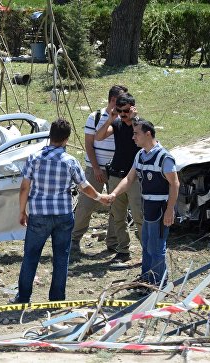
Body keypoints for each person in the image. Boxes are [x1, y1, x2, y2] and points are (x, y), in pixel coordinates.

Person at [11, 119, 112, 303]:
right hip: (63, 215)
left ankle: (23, 297)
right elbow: (84, 186)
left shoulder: (34, 159)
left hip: (39, 214)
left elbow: (24, 187)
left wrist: (21, 211)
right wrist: (99, 197)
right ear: (66, 139)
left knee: (31, 256)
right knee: (61, 257)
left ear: (50, 136)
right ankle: (57, 298)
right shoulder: (70, 161)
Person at [109, 119, 179, 287]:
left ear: (148, 134)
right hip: (147, 208)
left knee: (156, 247)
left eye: (136, 133)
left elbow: (175, 184)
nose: (133, 137)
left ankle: (158, 283)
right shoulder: (140, 155)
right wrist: (113, 194)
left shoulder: (164, 157)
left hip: (160, 209)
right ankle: (146, 279)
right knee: (147, 244)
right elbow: (129, 178)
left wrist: (170, 210)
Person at [71, 85, 127, 255]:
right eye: (121, 100)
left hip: (117, 170)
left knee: (116, 207)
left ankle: (113, 242)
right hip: (95, 168)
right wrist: (96, 168)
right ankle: (74, 239)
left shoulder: (124, 118)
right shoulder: (95, 117)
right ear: (113, 100)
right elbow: (89, 144)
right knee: (86, 205)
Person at [94, 93, 144, 267]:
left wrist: (135, 118)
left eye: (125, 111)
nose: (123, 115)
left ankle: (148, 251)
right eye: (120, 111)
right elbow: (98, 137)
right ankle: (123, 251)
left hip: (135, 177)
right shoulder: (116, 123)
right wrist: (110, 118)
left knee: (139, 216)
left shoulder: (141, 125)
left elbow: (145, 141)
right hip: (116, 175)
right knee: (118, 216)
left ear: (132, 108)